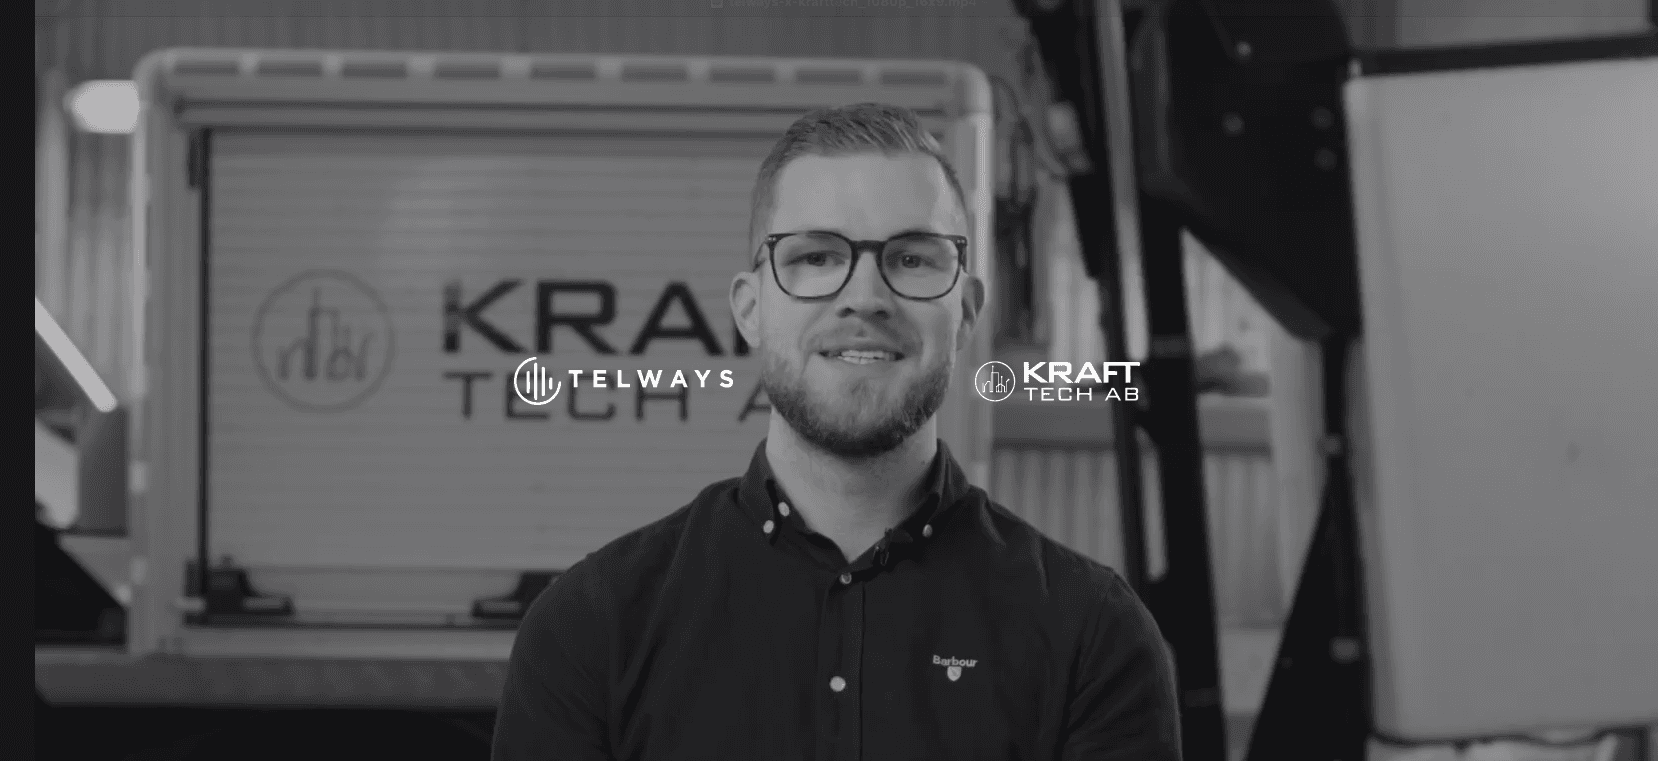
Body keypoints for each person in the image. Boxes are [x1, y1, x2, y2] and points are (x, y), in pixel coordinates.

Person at [492, 102, 1181, 761]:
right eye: (818, 257)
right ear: (750, 309)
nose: (865, 297)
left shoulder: (1094, 638)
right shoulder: (589, 629)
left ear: (967, 312)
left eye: (912, 258)